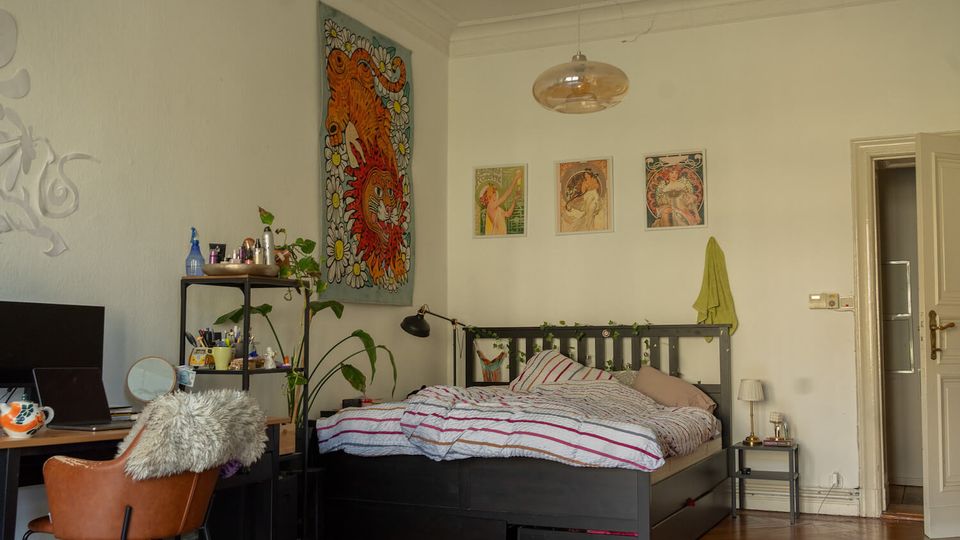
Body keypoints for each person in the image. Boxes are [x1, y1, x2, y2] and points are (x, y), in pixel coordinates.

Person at [479, 169, 522, 235]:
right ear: (489, 195)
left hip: (503, 234)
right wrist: (515, 179)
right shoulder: (491, 206)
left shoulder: (497, 208)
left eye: (495, 192)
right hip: (498, 234)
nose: (496, 194)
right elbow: (506, 195)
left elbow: (508, 214)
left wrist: (515, 200)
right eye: (494, 192)